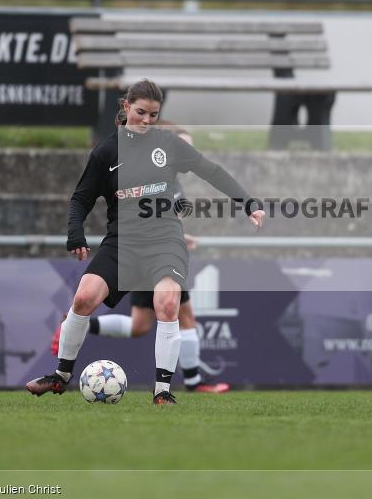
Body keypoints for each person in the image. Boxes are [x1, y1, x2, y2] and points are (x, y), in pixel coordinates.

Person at [28, 79, 264, 404]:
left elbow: (210, 170)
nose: (146, 121)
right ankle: (60, 377)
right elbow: (81, 198)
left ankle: (162, 392)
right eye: (141, 113)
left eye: (153, 115)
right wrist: (75, 233)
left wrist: (248, 202)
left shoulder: (166, 144)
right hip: (122, 242)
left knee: (167, 304)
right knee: (83, 299)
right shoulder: (106, 151)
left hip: (164, 241)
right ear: (126, 108)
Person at [50, 114, 230, 393]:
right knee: (184, 314)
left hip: (157, 251)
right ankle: (193, 383)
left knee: (141, 325)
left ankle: (77, 325)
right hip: (154, 255)